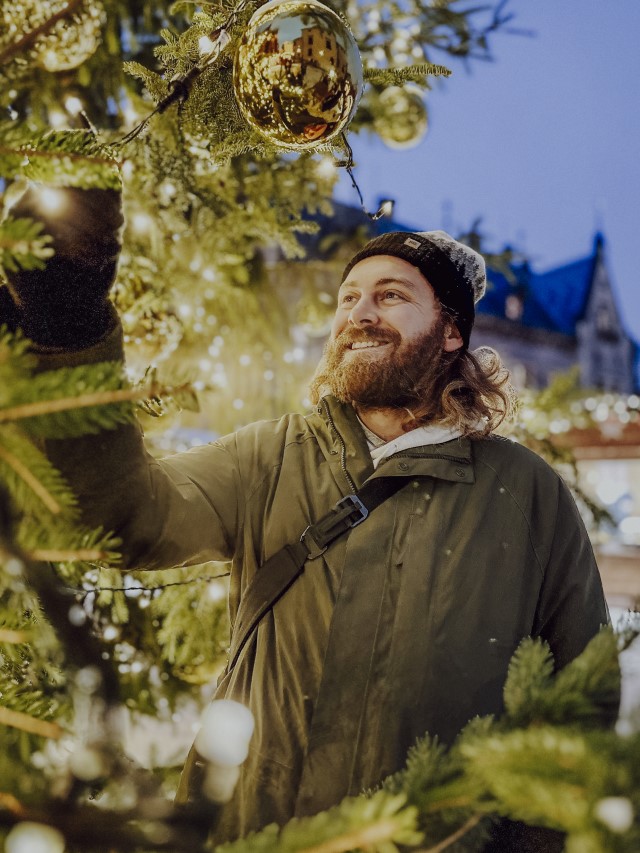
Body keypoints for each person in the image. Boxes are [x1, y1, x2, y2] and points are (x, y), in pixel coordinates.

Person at [0, 186, 610, 850]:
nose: (360, 313)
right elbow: (123, 516)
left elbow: (583, 709)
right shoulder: (269, 454)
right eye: (348, 298)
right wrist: (71, 323)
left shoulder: (528, 493)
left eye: (391, 296)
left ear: (452, 331)